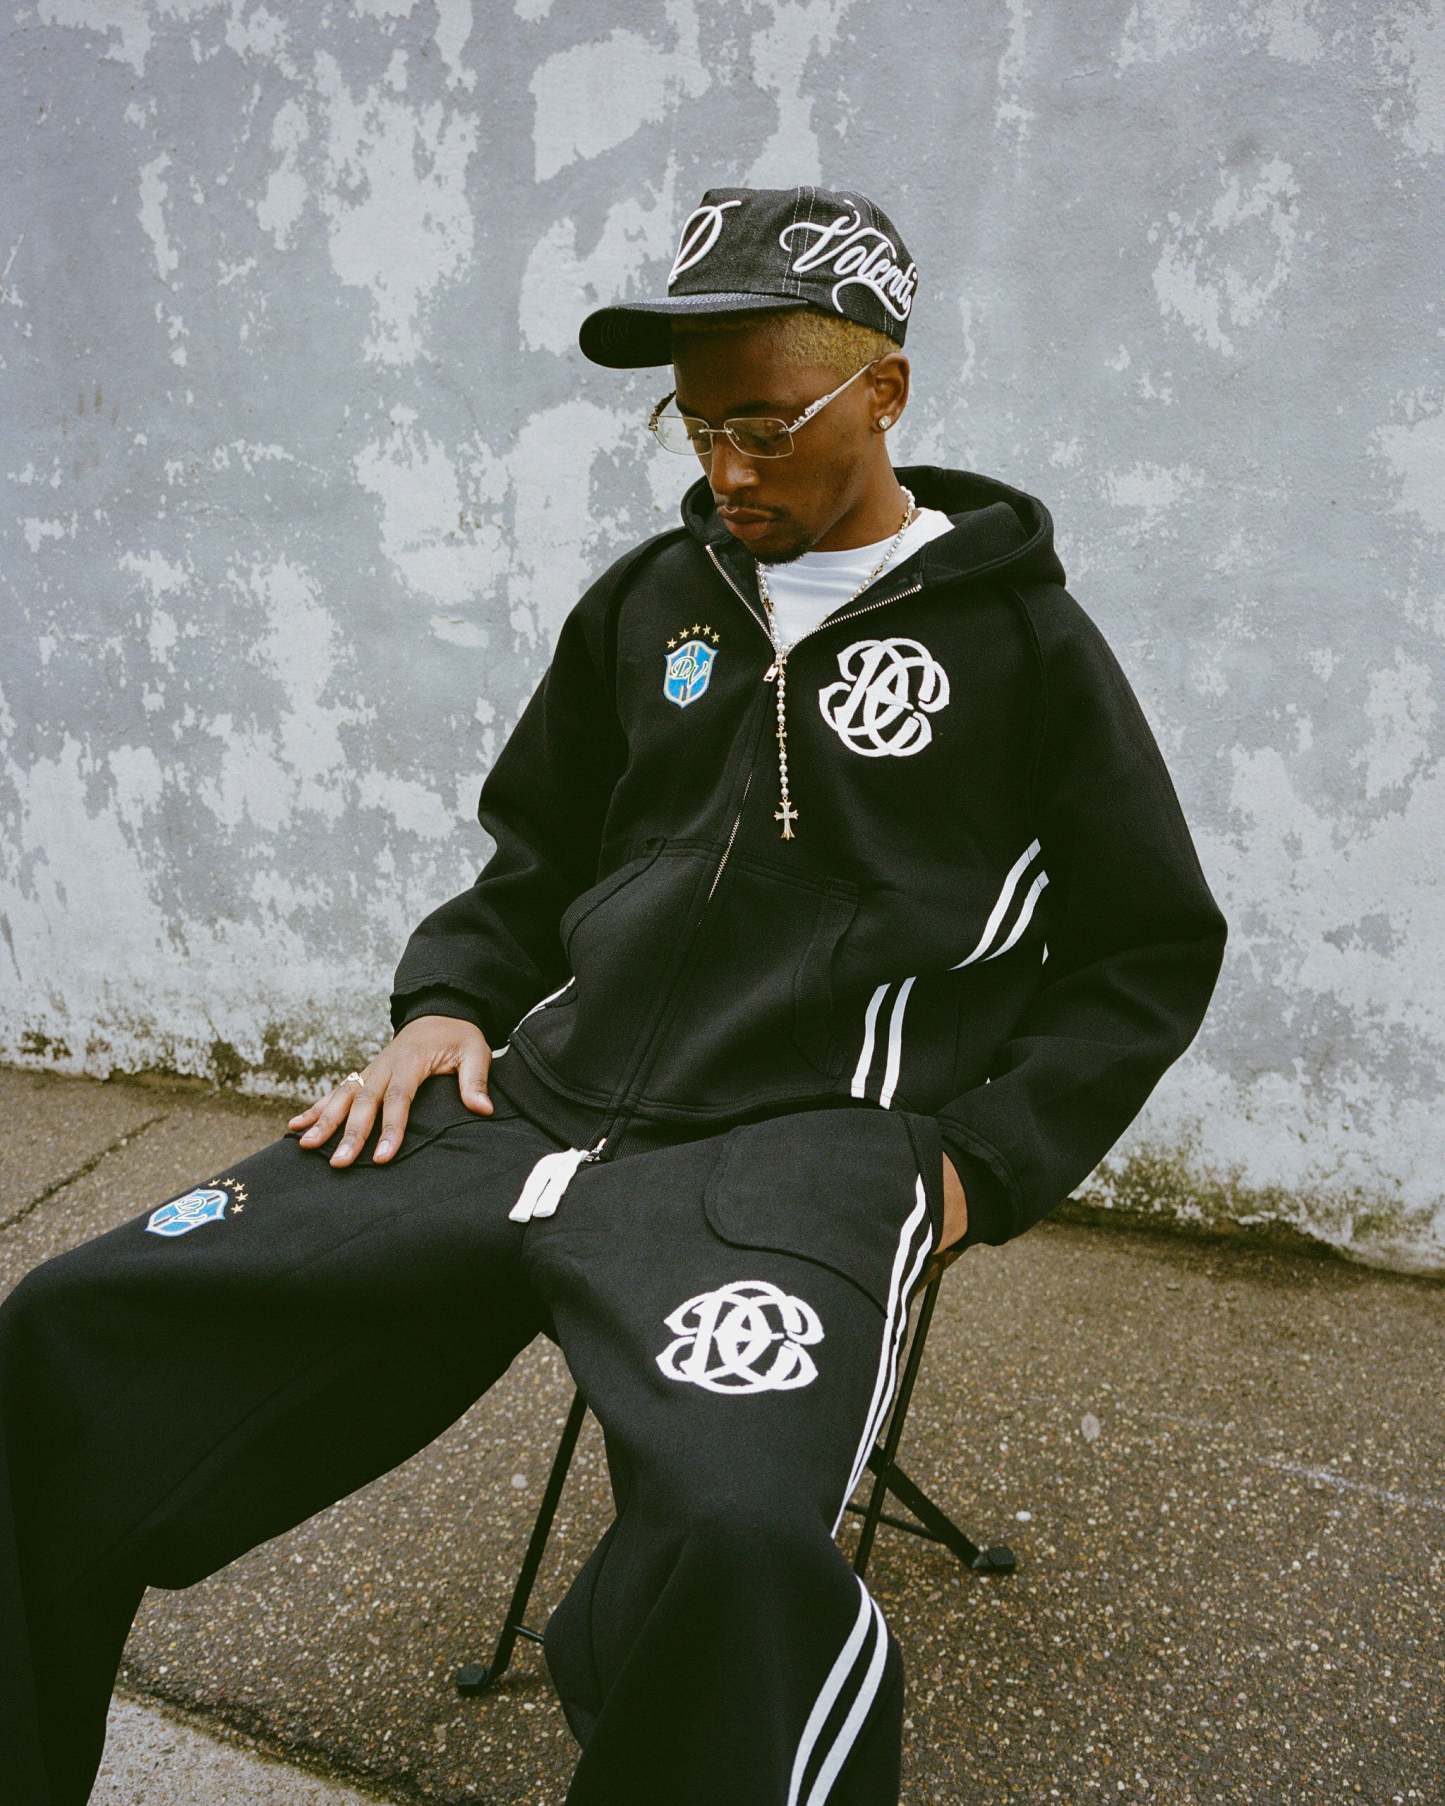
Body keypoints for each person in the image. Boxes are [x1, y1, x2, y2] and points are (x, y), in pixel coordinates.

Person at [0, 183, 1228, 1805]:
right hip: (532, 1100)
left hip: (802, 1152)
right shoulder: (653, 599)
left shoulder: (1024, 646)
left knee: (736, 1548)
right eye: (695, 425)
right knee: (70, 1334)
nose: (727, 469)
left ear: (883, 392)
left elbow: (1147, 947)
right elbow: (536, 854)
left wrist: (977, 1164)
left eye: (766, 425)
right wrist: (446, 1003)